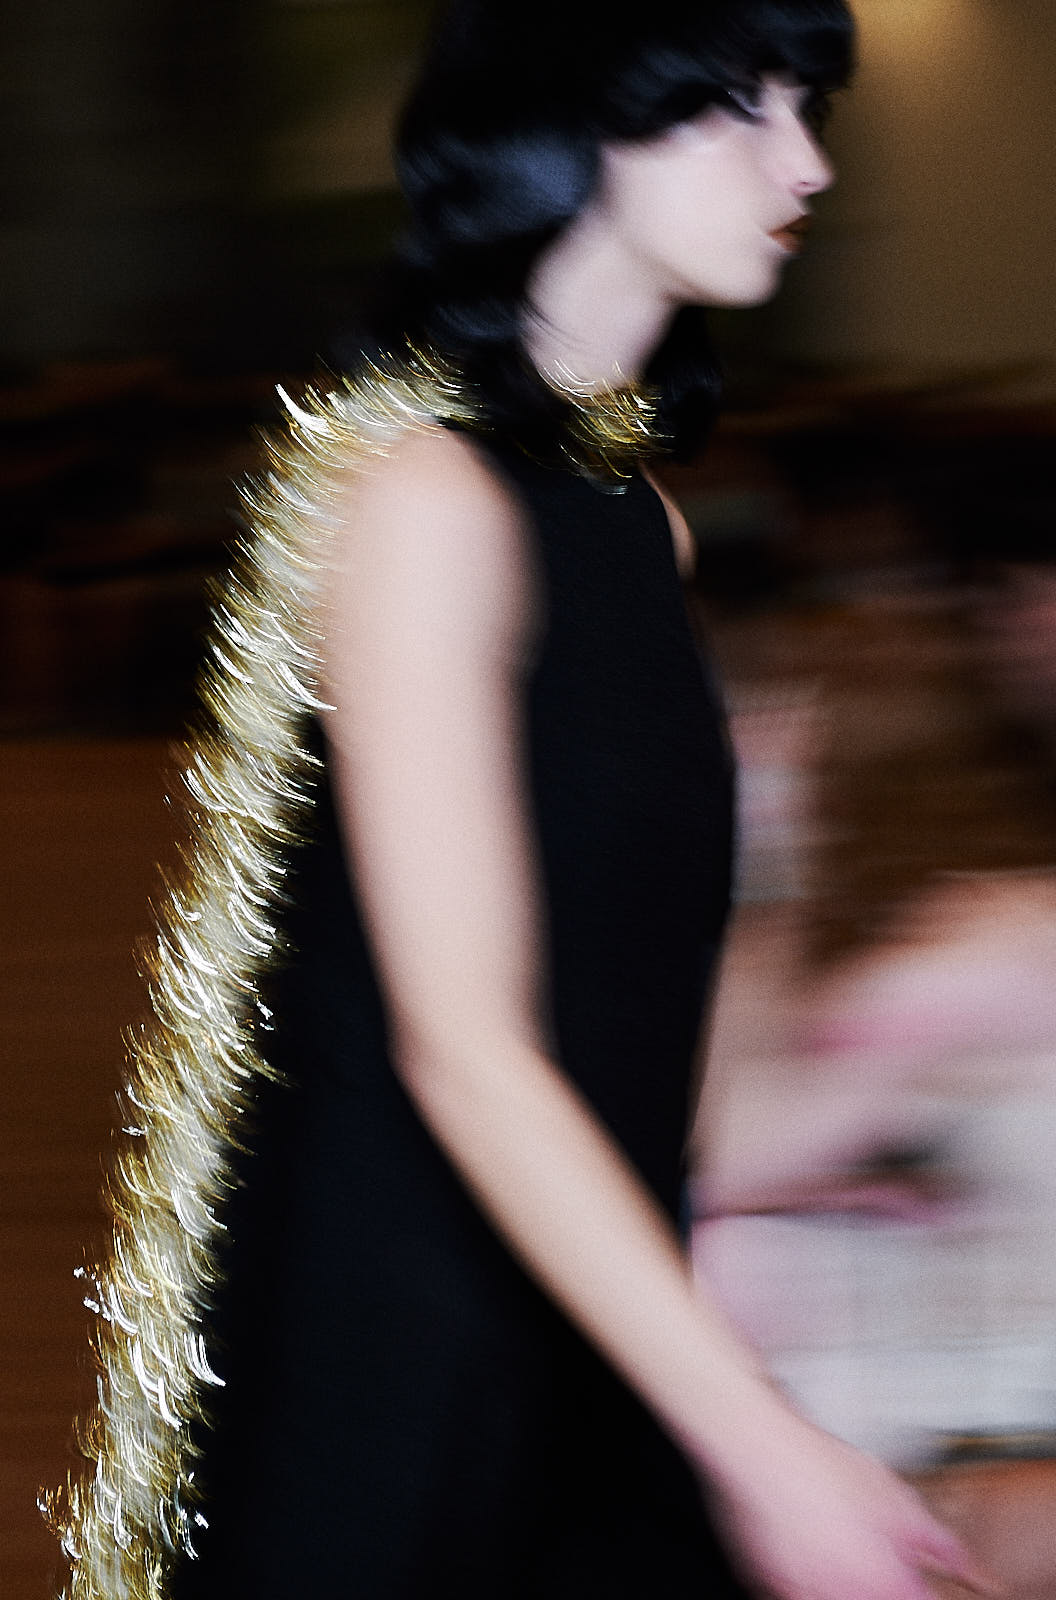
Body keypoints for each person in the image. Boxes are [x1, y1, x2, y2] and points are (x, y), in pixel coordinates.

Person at [48, 4, 986, 1599]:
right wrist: (759, 1445)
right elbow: (466, 1054)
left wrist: (806, 915)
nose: (805, 164)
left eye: (805, 106)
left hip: (593, 1341)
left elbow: (650, 1050)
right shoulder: (421, 497)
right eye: (738, 106)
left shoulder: (638, 525)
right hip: (412, 1370)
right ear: (571, 120)